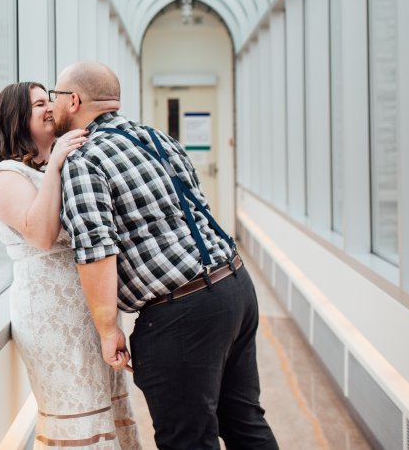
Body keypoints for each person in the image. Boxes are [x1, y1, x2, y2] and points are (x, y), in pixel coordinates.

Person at [51, 61, 278, 450]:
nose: (52, 106)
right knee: (244, 423)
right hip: (235, 285)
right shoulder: (156, 138)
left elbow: (96, 250)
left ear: (73, 101)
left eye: (55, 97)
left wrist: (108, 330)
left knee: (187, 440)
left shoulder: (84, 158)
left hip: (184, 312)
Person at [0, 81, 140, 449]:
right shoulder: (5, 175)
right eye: (38, 103)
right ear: (15, 118)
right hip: (50, 317)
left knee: (106, 408)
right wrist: (57, 160)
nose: (48, 108)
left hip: (91, 309)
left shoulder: (67, 164)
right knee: (77, 416)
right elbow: (41, 235)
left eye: (49, 101)